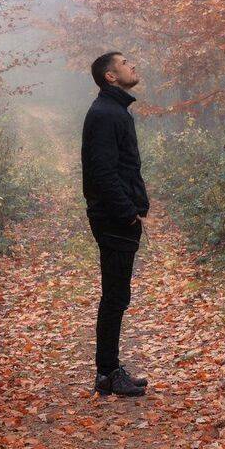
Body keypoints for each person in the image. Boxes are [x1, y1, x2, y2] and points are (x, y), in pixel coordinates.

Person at [81, 51, 151, 397]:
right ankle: (107, 373)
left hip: (115, 217)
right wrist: (127, 213)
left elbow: (121, 168)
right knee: (114, 297)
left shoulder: (113, 111)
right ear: (110, 76)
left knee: (116, 296)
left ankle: (108, 371)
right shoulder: (105, 114)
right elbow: (103, 173)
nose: (132, 65)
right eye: (124, 63)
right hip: (112, 219)